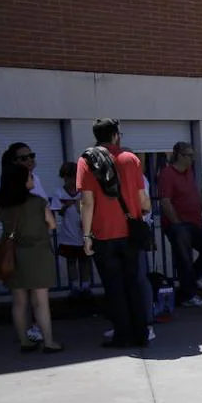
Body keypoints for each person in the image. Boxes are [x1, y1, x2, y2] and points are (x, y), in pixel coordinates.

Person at [78, 119, 153, 348]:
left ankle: (123, 335)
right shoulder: (131, 159)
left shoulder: (86, 160)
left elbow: (87, 202)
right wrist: (143, 208)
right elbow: (143, 200)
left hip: (103, 234)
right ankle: (141, 333)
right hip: (130, 232)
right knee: (134, 284)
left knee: (114, 288)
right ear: (115, 135)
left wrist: (87, 235)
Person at [0, 155, 63, 353]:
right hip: (37, 253)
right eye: (30, 177)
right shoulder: (39, 202)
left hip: (13, 254)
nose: (33, 180)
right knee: (40, 301)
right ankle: (49, 341)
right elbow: (52, 225)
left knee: (19, 301)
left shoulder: (2, 204)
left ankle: (24, 341)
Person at [157, 142, 202, 307]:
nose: (192, 159)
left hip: (195, 222)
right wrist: (177, 224)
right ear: (179, 156)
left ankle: (188, 286)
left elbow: (195, 194)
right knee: (184, 260)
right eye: (189, 155)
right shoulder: (167, 174)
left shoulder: (189, 172)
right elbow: (165, 202)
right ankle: (189, 294)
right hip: (178, 224)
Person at [50, 161, 92, 298]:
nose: (72, 181)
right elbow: (58, 212)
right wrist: (66, 205)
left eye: (74, 177)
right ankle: (73, 287)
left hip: (83, 233)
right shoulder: (59, 192)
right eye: (68, 177)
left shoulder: (83, 192)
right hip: (68, 234)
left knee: (85, 261)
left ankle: (85, 286)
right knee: (71, 261)